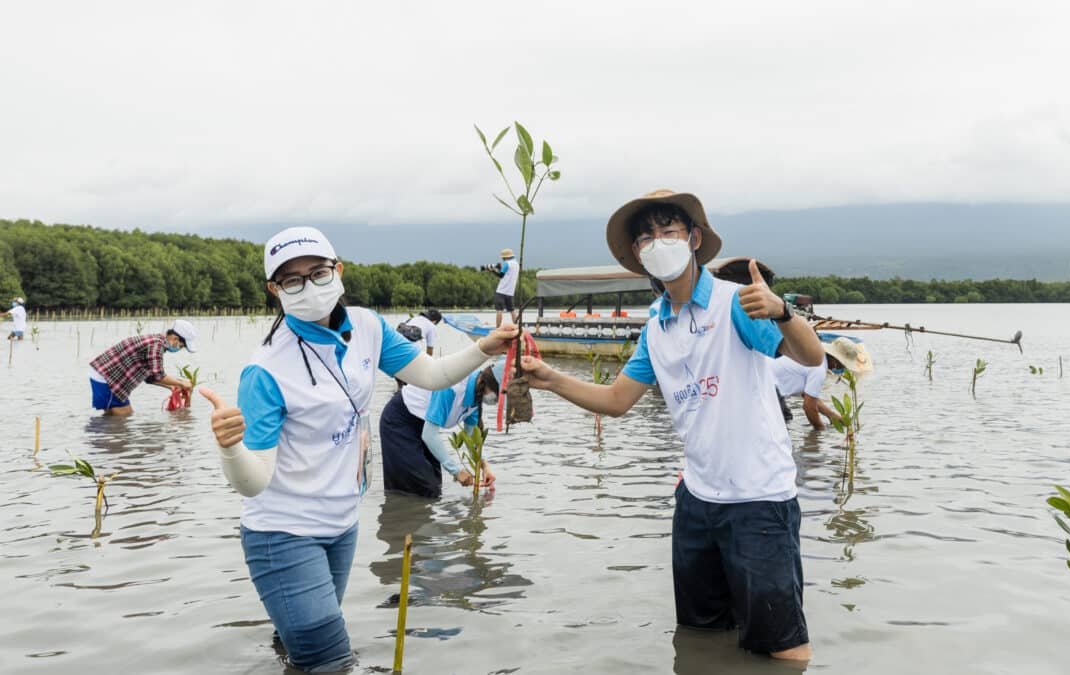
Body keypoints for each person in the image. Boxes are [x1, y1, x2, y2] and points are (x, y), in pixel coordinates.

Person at [519, 189, 824, 661]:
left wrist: (783, 311)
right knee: (700, 636)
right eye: (645, 238)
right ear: (638, 255)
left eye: (668, 232)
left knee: (783, 650)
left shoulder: (735, 304)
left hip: (758, 501)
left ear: (694, 238)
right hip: (696, 502)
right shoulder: (656, 328)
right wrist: (550, 379)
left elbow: (811, 355)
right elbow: (617, 400)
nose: (657, 243)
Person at [200, 226, 516, 673]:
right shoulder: (265, 369)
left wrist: (485, 347)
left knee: (300, 651)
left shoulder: (367, 327)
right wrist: (230, 448)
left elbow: (431, 374)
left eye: (318, 272)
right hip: (284, 533)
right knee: (332, 661)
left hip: (342, 526)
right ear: (275, 290)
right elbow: (254, 483)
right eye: (292, 280)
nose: (308, 286)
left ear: (339, 270)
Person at [380, 362, 503, 498]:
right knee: (422, 486)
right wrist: (456, 471)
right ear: (488, 385)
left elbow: (470, 436)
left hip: (423, 423)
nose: (497, 401)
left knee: (435, 483)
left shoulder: (476, 397)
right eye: (498, 397)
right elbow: (429, 435)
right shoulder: (452, 388)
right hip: (400, 421)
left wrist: (485, 466)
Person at [87, 319, 198, 416]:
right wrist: (182, 383)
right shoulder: (156, 345)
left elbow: (150, 377)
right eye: (181, 346)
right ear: (175, 338)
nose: (179, 349)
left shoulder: (157, 343)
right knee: (125, 415)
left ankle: (97, 437)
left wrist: (171, 387)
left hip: (108, 377)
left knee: (113, 420)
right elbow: (159, 375)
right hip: (107, 377)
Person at [770, 354, 840, 430]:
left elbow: (809, 397)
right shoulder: (819, 368)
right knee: (779, 427)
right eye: (841, 365)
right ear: (834, 360)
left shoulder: (814, 358)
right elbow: (809, 407)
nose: (836, 368)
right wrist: (820, 429)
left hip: (771, 382)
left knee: (787, 417)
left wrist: (831, 416)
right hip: (769, 385)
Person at [485, 248, 519, 327]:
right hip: (510, 292)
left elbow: (501, 275)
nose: (502, 259)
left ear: (505, 257)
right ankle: (517, 327)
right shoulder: (516, 264)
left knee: (499, 310)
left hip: (501, 291)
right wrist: (499, 269)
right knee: (512, 310)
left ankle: (498, 329)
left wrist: (492, 270)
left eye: (503, 257)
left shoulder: (507, 263)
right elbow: (507, 273)